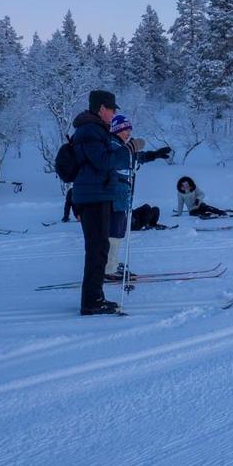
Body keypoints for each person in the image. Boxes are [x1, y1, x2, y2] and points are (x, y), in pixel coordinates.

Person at [70, 90, 143, 316]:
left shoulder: (91, 129)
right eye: (112, 109)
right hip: (94, 197)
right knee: (97, 249)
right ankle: (92, 302)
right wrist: (129, 150)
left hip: (95, 195)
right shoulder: (91, 131)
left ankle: (94, 298)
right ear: (102, 108)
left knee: (99, 249)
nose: (113, 114)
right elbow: (103, 162)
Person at [104, 114, 171, 279]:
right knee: (113, 233)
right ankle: (108, 269)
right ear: (117, 130)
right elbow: (119, 159)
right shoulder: (112, 144)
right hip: (113, 199)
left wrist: (154, 155)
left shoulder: (120, 146)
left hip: (120, 199)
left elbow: (136, 157)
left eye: (130, 130)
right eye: (125, 130)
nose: (128, 133)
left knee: (118, 232)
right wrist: (131, 148)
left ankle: (111, 263)